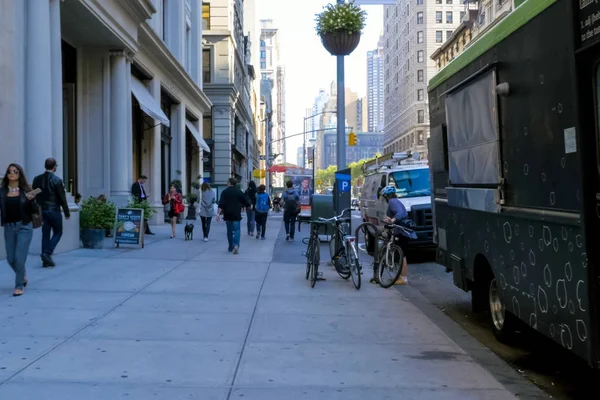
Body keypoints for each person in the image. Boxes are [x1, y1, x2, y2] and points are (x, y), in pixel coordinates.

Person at [0, 163, 40, 296]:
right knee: (10, 258)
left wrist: (32, 200)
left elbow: (35, 211)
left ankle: (18, 286)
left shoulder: (26, 190)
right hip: (9, 226)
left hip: (24, 226)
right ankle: (22, 274)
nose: (12, 173)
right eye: (9, 171)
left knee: (19, 258)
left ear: (19, 174)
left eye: (15, 171)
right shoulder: (2, 191)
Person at [32, 158, 70, 268]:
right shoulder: (57, 180)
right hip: (54, 210)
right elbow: (62, 198)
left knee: (45, 234)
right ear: (54, 167)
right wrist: (67, 212)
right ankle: (47, 253)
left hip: (42, 210)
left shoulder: (37, 179)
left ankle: (45, 260)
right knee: (58, 232)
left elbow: (34, 194)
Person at [380, 185, 409, 285]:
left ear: (386, 196)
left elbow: (400, 213)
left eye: (384, 196)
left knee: (402, 254)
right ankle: (402, 277)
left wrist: (392, 220)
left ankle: (403, 278)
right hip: (402, 230)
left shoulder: (392, 201)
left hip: (401, 231)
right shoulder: (396, 201)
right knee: (402, 253)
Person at [216, 177, 251, 254]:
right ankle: (236, 245)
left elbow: (221, 204)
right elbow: (246, 201)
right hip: (236, 214)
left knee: (229, 231)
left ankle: (230, 246)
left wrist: (218, 214)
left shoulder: (224, 192)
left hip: (227, 214)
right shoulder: (239, 192)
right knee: (237, 230)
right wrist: (248, 205)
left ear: (229, 183)